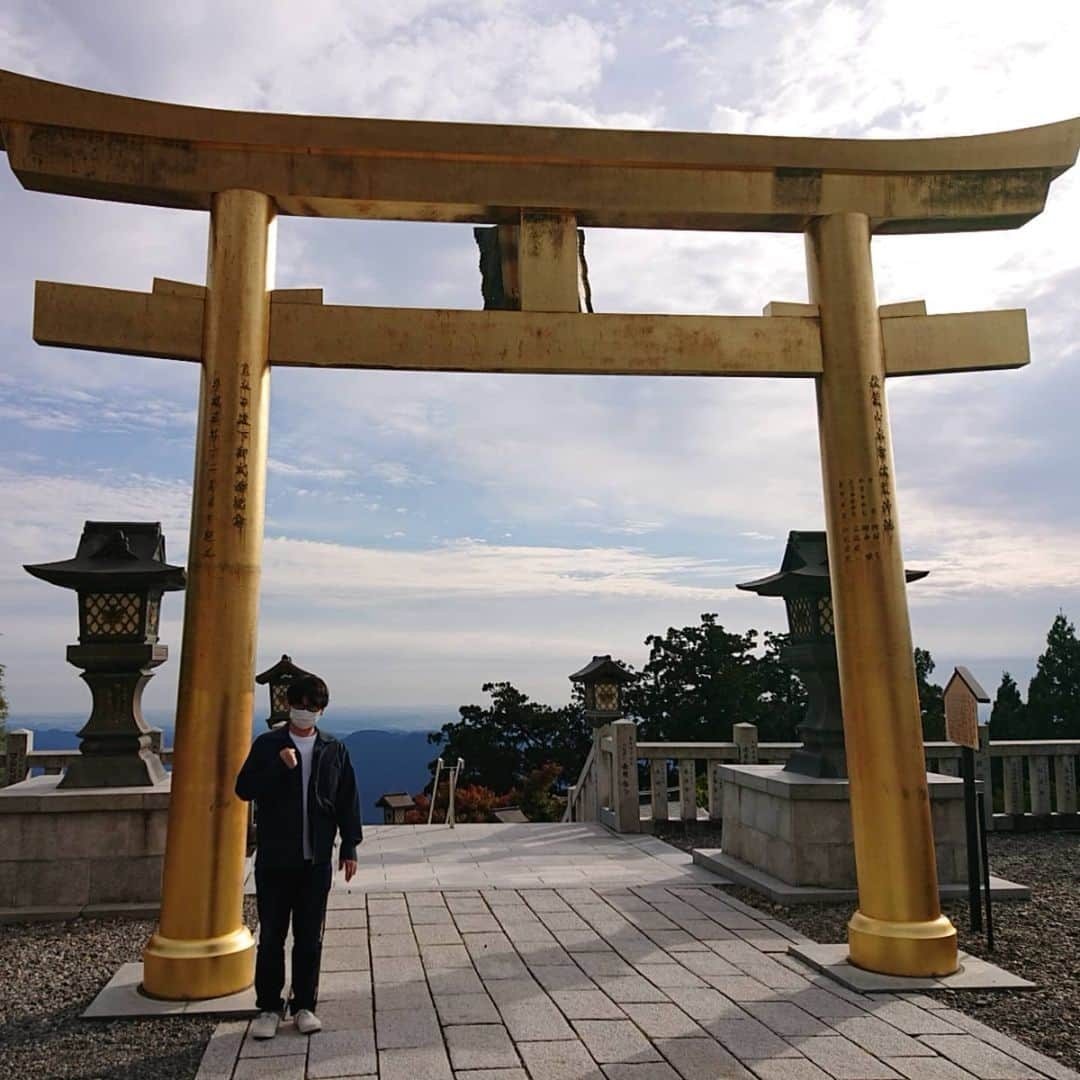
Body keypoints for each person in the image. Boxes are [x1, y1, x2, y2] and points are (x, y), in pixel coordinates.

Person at [236, 673, 362, 1039]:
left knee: (309, 937)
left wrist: (349, 845)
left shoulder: (333, 748)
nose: (305, 712)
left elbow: (346, 798)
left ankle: (305, 1004)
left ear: (322, 710)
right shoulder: (268, 745)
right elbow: (244, 788)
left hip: (317, 859)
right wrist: (279, 766)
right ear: (288, 704)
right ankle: (268, 1007)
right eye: (299, 705)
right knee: (272, 935)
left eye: (312, 706)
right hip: (275, 858)